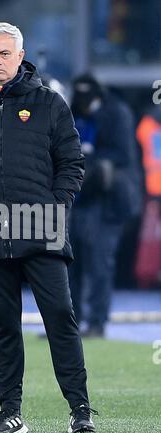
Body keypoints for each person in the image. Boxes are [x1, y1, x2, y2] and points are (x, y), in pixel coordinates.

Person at [0, 22, 98, 433]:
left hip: (41, 227)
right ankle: (10, 412)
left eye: (5, 54)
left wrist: (56, 208)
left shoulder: (50, 104)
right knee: (4, 324)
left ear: (20, 57)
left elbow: (72, 164)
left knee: (60, 315)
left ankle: (80, 409)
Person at [69, 74, 139, 338]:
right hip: (80, 199)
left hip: (108, 200)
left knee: (99, 261)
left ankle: (97, 322)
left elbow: (123, 155)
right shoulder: (74, 113)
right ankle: (70, 323)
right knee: (69, 263)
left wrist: (93, 164)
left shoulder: (116, 113)